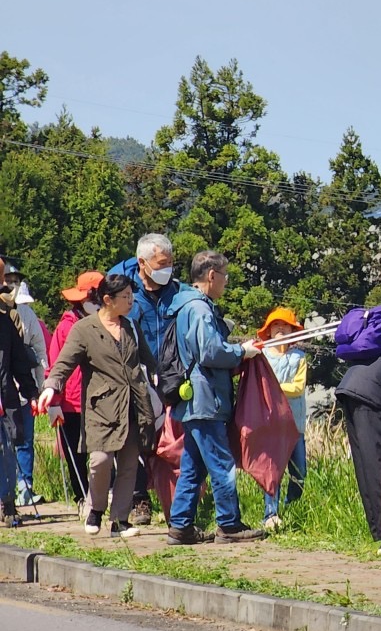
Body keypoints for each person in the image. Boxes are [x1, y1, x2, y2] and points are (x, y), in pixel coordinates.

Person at [39, 274, 157, 538]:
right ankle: (95, 508)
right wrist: (51, 387)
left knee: (128, 465)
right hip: (102, 408)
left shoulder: (131, 327)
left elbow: (150, 362)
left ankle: (120, 521)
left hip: (133, 406)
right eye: (125, 297)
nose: (130, 301)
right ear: (107, 299)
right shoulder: (84, 329)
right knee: (100, 460)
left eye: (131, 296)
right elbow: (64, 363)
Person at [165, 251, 265, 545]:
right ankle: (229, 525)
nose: (226, 282)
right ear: (211, 275)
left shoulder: (186, 305)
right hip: (205, 399)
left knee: (194, 465)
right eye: (225, 275)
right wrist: (241, 351)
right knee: (222, 464)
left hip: (194, 398)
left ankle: (181, 526)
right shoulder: (199, 309)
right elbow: (210, 352)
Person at [109, 233, 182, 527]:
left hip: (173, 377)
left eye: (171, 263)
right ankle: (139, 499)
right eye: (161, 263)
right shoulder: (124, 293)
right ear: (142, 263)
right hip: (137, 377)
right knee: (136, 441)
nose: (168, 268)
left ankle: (176, 501)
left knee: (170, 442)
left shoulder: (178, 292)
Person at [43, 271, 105, 513]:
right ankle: (82, 497)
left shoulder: (108, 322)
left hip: (99, 399)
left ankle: (101, 496)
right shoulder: (66, 326)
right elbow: (55, 364)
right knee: (76, 454)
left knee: (101, 452)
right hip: (71, 400)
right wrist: (54, 401)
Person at [257, 307, 309, 531]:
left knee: (299, 472)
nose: (280, 329)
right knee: (272, 471)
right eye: (275, 326)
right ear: (268, 331)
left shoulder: (299, 358)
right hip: (271, 424)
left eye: (285, 325)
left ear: (293, 330)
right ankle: (271, 513)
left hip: (295, 424)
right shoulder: (262, 356)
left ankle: (293, 508)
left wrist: (275, 388)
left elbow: (298, 387)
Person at [335, 351, 381, 543]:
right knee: (378, 464)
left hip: (354, 385)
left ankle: (380, 533)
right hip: (373, 392)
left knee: (366, 464)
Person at [4, 264, 49, 507]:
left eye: (14, 281)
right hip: (4, 390)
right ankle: (7, 492)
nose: (11, 285)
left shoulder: (27, 314)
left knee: (25, 440)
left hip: (23, 388)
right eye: (7, 280)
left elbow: (39, 350)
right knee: (4, 443)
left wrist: (39, 388)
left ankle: (25, 487)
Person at [0, 256, 39, 528]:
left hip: (5, 396)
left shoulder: (5, 321)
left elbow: (18, 361)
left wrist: (31, 391)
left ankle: (7, 503)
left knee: (7, 449)